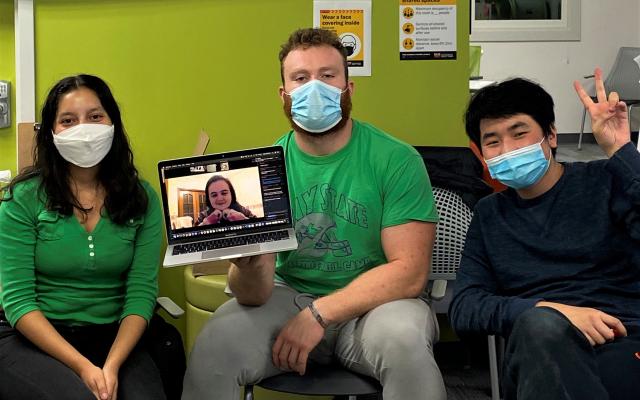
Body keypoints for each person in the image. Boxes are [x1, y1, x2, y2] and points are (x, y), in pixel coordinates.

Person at [182, 28, 446, 400]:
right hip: (288, 300)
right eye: (301, 78)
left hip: (377, 308)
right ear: (284, 95)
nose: (314, 88)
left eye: (327, 75)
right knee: (214, 344)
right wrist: (247, 264)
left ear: (348, 89)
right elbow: (254, 294)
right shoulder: (264, 171)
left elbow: (410, 273)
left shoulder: (396, 159)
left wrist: (319, 314)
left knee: (407, 346)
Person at [449, 70, 640, 400]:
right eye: (493, 141)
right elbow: (465, 307)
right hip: (538, 352)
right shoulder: (489, 214)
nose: (507, 149)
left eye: (519, 133)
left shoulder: (605, 180)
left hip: (621, 338)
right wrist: (552, 312)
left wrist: (621, 152)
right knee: (539, 326)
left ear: (551, 135)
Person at [0, 74, 166, 400]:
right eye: (68, 120)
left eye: (95, 116)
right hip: (34, 338)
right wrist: (84, 368)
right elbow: (18, 301)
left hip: (115, 339)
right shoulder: (22, 199)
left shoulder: (141, 199)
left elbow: (141, 293)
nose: (84, 128)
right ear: (50, 133)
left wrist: (112, 366)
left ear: (112, 124)